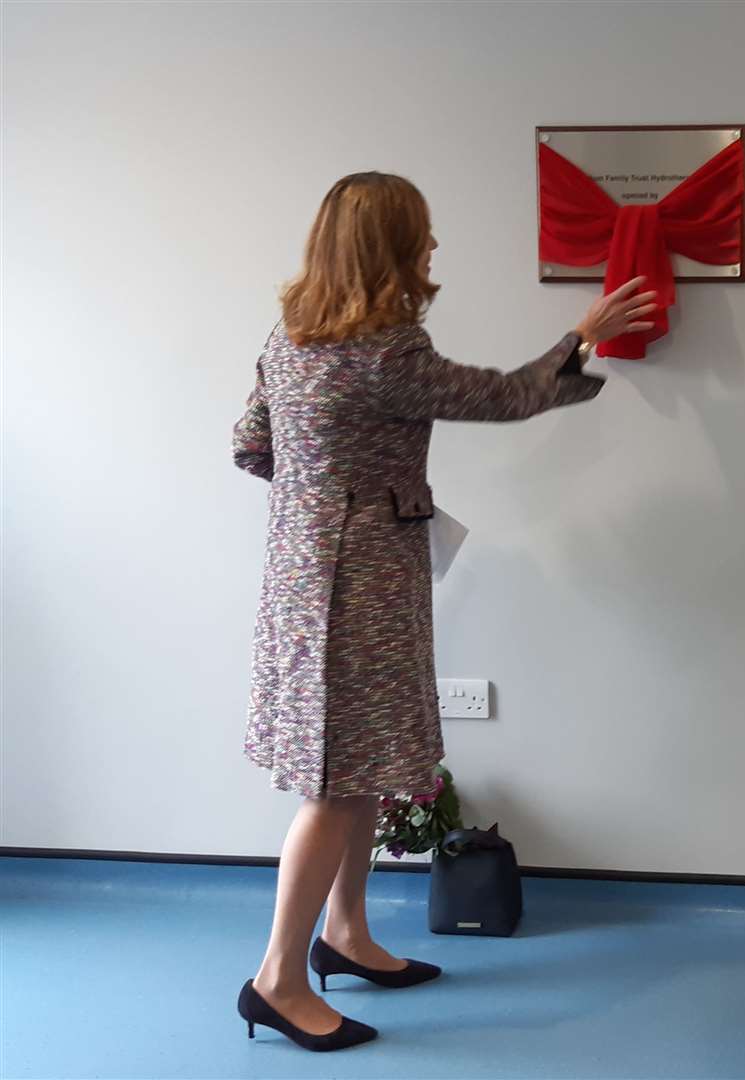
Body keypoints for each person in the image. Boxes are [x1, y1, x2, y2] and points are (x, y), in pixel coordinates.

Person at [231, 172, 656, 1051]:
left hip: (302, 579)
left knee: (358, 764)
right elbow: (497, 397)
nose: (433, 250)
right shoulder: (386, 349)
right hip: (361, 583)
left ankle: (345, 935)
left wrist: (322, 495)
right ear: (388, 245)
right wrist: (579, 338)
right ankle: (276, 978)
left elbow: (250, 444)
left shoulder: (288, 338)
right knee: (339, 781)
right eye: (422, 234)